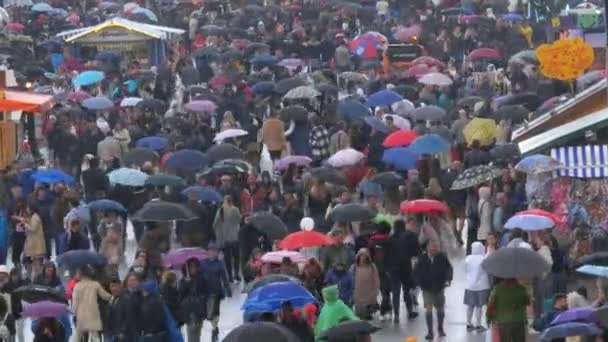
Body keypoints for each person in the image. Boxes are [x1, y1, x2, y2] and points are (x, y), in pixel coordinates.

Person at [416, 240, 453, 340]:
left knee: (440, 309)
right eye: (432, 246)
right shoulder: (422, 258)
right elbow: (417, 272)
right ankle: (430, 332)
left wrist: (448, 279)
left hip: (439, 287)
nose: (434, 248)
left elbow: (449, 269)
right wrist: (418, 283)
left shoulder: (442, 257)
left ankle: (440, 328)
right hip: (427, 288)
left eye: (436, 246)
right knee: (428, 309)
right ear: (427, 247)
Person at [386, 219, 420, 323]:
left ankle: (396, 315)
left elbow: (387, 255)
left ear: (395, 227)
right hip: (406, 266)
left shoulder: (391, 238)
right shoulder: (411, 236)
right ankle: (409, 311)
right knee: (407, 290)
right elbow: (416, 252)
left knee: (395, 292)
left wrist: (387, 268)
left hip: (393, 268)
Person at [71, 265, 112, 341]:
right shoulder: (95, 284)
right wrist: (114, 296)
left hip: (81, 315)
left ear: (81, 274)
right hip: (93, 314)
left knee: (77, 336)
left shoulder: (77, 286)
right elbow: (105, 296)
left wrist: (74, 314)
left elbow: (75, 304)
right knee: (95, 336)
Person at [199, 243, 231, 342]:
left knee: (215, 312)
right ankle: (214, 327)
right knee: (209, 314)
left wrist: (227, 289)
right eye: (211, 250)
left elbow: (224, 277)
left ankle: (214, 329)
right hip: (206, 290)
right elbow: (199, 276)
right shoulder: (203, 263)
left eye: (215, 251)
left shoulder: (220, 264)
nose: (213, 253)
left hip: (216, 291)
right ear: (207, 252)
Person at [213, 195, 242, 283]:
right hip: (235, 237)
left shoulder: (220, 210)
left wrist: (218, 233)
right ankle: (236, 273)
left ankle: (229, 276)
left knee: (227, 258)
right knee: (236, 257)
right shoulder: (235, 209)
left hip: (225, 238)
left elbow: (215, 224)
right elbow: (239, 220)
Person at [464, 242, 490, 332]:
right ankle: (478, 325)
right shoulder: (484, 259)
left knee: (470, 306)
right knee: (479, 306)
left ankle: (468, 323)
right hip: (481, 287)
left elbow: (464, 269)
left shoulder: (467, 259)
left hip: (470, 286)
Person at [179, 259, 207, 342]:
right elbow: (180, 294)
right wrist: (186, 283)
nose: (193, 269)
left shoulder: (201, 278)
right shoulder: (183, 280)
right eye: (191, 267)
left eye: (195, 267)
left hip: (199, 310)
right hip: (190, 312)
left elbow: (205, 291)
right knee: (192, 334)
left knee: (197, 334)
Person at [17, 202, 46, 279]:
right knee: (34, 264)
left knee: (36, 265)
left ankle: (35, 279)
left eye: (28, 208)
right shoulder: (33, 217)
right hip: (33, 245)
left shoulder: (35, 217)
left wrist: (24, 224)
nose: (27, 210)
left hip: (36, 245)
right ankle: (34, 278)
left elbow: (33, 229)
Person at [352, 249, 380, 320]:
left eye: (364, 256)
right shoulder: (354, 267)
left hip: (369, 291)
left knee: (368, 311)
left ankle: (368, 315)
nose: (362, 258)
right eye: (361, 256)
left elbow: (376, 279)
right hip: (358, 292)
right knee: (359, 312)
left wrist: (376, 290)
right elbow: (350, 278)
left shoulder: (372, 267)